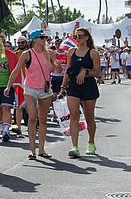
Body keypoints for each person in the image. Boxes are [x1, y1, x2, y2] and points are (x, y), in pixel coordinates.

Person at [6, 30, 57, 159]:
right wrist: (8, 86)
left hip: (45, 88)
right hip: (30, 88)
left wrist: (55, 65)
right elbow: (16, 70)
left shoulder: (49, 53)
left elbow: (56, 69)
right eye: (41, 37)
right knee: (32, 117)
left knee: (43, 119)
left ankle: (41, 149)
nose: (44, 39)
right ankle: (32, 150)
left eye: (45, 37)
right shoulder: (27, 54)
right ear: (34, 39)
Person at [64, 27, 101, 158]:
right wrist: (62, 87)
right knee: (74, 115)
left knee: (89, 115)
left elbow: (97, 72)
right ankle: (74, 146)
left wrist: (85, 71)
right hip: (73, 86)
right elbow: (68, 70)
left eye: (80, 36)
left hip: (88, 86)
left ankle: (91, 143)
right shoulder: (71, 51)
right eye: (76, 36)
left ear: (86, 37)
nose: (78, 38)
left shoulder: (93, 53)